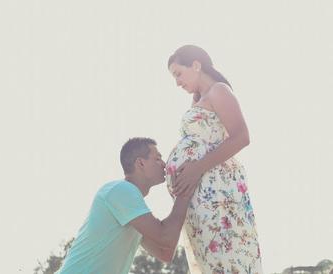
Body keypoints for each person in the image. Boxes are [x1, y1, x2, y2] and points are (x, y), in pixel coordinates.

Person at [165, 45, 263, 273]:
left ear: (196, 65)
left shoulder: (218, 91)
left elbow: (241, 137)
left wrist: (196, 168)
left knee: (228, 259)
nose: (177, 82)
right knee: (210, 261)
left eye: (178, 73)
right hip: (201, 196)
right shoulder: (200, 99)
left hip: (220, 193)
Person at [56, 137, 196, 274]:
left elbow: (165, 252)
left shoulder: (130, 208)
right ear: (140, 163)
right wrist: (185, 189)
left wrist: (183, 191)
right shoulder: (121, 190)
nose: (164, 164)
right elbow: (165, 238)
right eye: (157, 158)